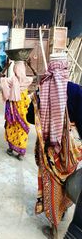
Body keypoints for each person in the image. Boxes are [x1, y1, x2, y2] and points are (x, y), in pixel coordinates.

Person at [27, 53, 82, 238]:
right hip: (70, 149)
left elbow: (29, 118)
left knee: (52, 186)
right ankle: (63, 210)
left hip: (47, 150)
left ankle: (54, 228)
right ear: (66, 68)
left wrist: (47, 120)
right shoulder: (76, 91)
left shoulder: (41, 91)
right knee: (68, 181)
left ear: (50, 68)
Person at [0, 59, 33, 160]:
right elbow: (39, 77)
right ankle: (16, 151)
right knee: (15, 128)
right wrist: (31, 66)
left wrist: (5, 67)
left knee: (17, 128)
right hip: (17, 110)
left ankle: (19, 151)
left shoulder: (12, 80)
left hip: (19, 110)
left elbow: (0, 77)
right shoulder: (26, 80)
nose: (18, 71)